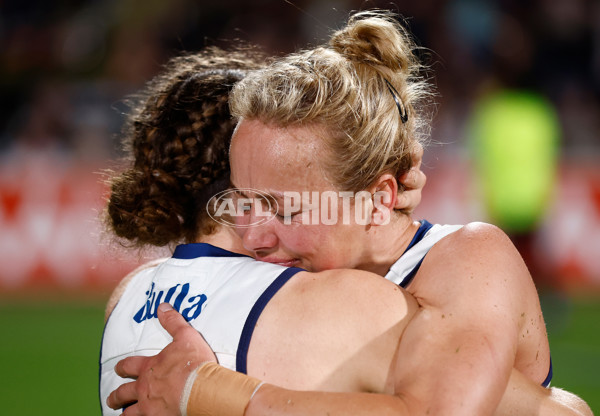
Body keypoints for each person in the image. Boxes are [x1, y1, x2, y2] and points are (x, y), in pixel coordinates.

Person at [106, 10, 593, 416]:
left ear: (379, 200)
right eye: (245, 202)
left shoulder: (470, 260)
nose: (253, 237)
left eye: (286, 210)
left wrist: (210, 390)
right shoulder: (288, 280)